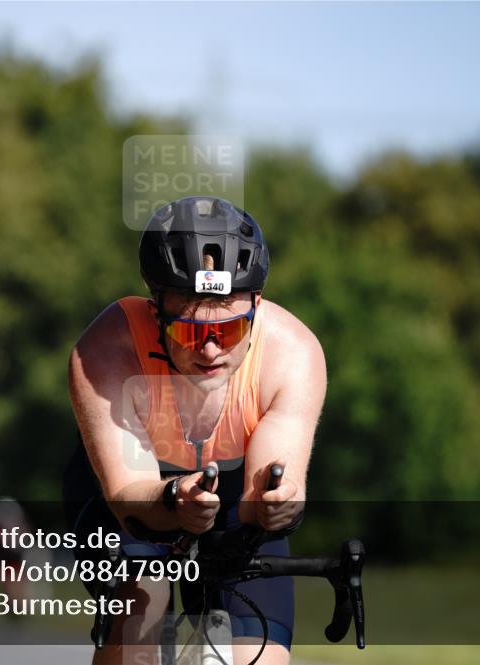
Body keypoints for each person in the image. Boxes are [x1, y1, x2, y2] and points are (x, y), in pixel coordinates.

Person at [63, 196, 327, 665]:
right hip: (128, 497)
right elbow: (127, 495)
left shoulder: (293, 353)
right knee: (143, 609)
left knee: (261, 656)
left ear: (257, 307)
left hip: (229, 494)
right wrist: (173, 498)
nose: (209, 350)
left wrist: (277, 502)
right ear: (156, 314)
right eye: (189, 331)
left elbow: (266, 486)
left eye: (228, 331)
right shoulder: (105, 349)